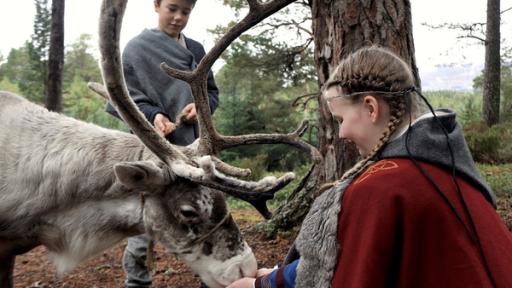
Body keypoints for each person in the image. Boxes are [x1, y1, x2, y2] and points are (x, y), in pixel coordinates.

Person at [227, 46, 512, 288]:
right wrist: (274, 279)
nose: (341, 134)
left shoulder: (381, 188)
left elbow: (345, 271)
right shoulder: (448, 165)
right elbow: (347, 253)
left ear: (371, 108)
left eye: (340, 120)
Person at [105, 0, 219, 287]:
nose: (179, 17)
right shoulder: (135, 48)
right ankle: (137, 280)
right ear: (156, 5)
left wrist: (200, 107)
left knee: (202, 215)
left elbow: (212, 93)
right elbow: (123, 97)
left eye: (186, 11)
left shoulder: (196, 50)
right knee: (144, 220)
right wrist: (153, 116)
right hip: (151, 153)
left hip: (192, 152)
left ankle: (213, 277)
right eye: (172, 8)